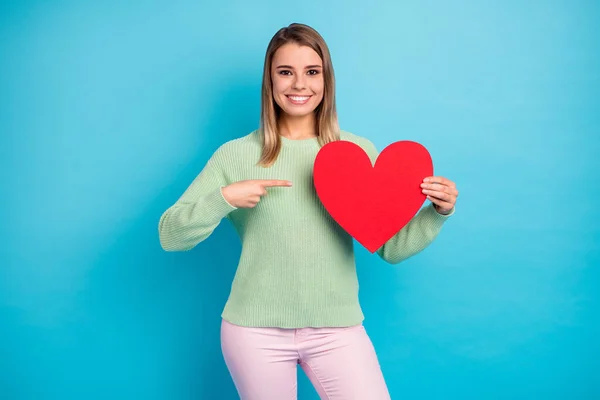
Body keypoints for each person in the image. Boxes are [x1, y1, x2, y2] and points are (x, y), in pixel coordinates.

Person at [158, 23, 458, 400]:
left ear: (326, 79)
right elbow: (170, 235)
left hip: (338, 330)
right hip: (254, 333)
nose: (299, 84)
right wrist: (224, 198)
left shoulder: (358, 152)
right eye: (286, 72)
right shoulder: (235, 155)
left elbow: (391, 248)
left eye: (312, 72)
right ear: (270, 80)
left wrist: (436, 213)